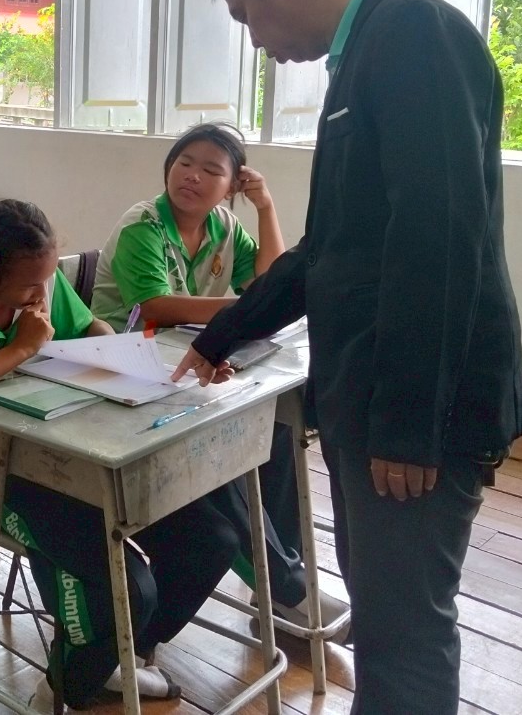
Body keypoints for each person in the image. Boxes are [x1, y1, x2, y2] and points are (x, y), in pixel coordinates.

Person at [171, 0, 522, 715]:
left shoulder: (413, 37)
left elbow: (439, 238)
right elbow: (331, 247)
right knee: (386, 619)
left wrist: (407, 424)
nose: (254, 42)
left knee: (403, 633)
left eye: (246, 16)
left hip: (417, 417)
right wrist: (226, 330)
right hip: (370, 399)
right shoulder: (363, 57)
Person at [0, 199, 241, 710]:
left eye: (48, 280)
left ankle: (116, 659)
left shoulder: (41, 280)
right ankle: (65, 687)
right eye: (30, 287)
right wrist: (18, 350)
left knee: (212, 542)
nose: (43, 294)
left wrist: (130, 361)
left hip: (80, 454)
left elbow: (90, 330)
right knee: (127, 588)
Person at [91, 121, 348, 636]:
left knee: (275, 431)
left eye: (211, 170)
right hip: (128, 370)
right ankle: (287, 589)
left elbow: (269, 283)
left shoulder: (225, 226)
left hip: (188, 367)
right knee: (225, 449)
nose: (192, 176)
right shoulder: (144, 224)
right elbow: (156, 305)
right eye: (184, 163)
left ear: (233, 186)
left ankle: (281, 577)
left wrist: (266, 208)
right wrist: (242, 313)